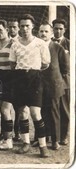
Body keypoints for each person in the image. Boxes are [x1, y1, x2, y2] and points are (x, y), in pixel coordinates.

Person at [9, 14, 51, 158]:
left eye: (27, 25)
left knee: (35, 112)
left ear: (33, 26)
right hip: (20, 78)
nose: (25, 28)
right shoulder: (15, 44)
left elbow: (46, 63)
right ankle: (26, 143)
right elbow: (12, 63)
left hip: (35, 78)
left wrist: (33, 70)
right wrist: (22, 72)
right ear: (19, 27)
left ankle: (42, 146)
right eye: (22, 26)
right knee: (22, 112)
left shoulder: (40, 43)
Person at [38, 22, 69, 150]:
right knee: (40, 112)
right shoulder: (35, 46)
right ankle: (43, 139)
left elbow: (65, 68)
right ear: (38, 33)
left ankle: (55, 141)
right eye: (41, 31)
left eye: (46, 31)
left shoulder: (57, 48)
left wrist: (56, 80)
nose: (43, 34)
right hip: (38, 84)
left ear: (51, 33)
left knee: (54, 112)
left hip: (54, 85)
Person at [0, 19, 15, 150]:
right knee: (2, 110)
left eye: (0, 30)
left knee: (6, 110)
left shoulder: (13, 44)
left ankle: (9, 141)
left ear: (7, 30)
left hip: (10, 78)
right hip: (0, 77)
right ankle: (5, 137)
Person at [52, 18, 70, 146]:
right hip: (51, 82)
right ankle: (53, 136)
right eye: (56, 28)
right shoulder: (48, 42)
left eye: (60, 29)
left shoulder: (69, 43)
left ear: (65, 30)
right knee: (51, 109)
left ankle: (63, 136)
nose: (58, 31)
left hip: (65, 82)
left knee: (64, 109)